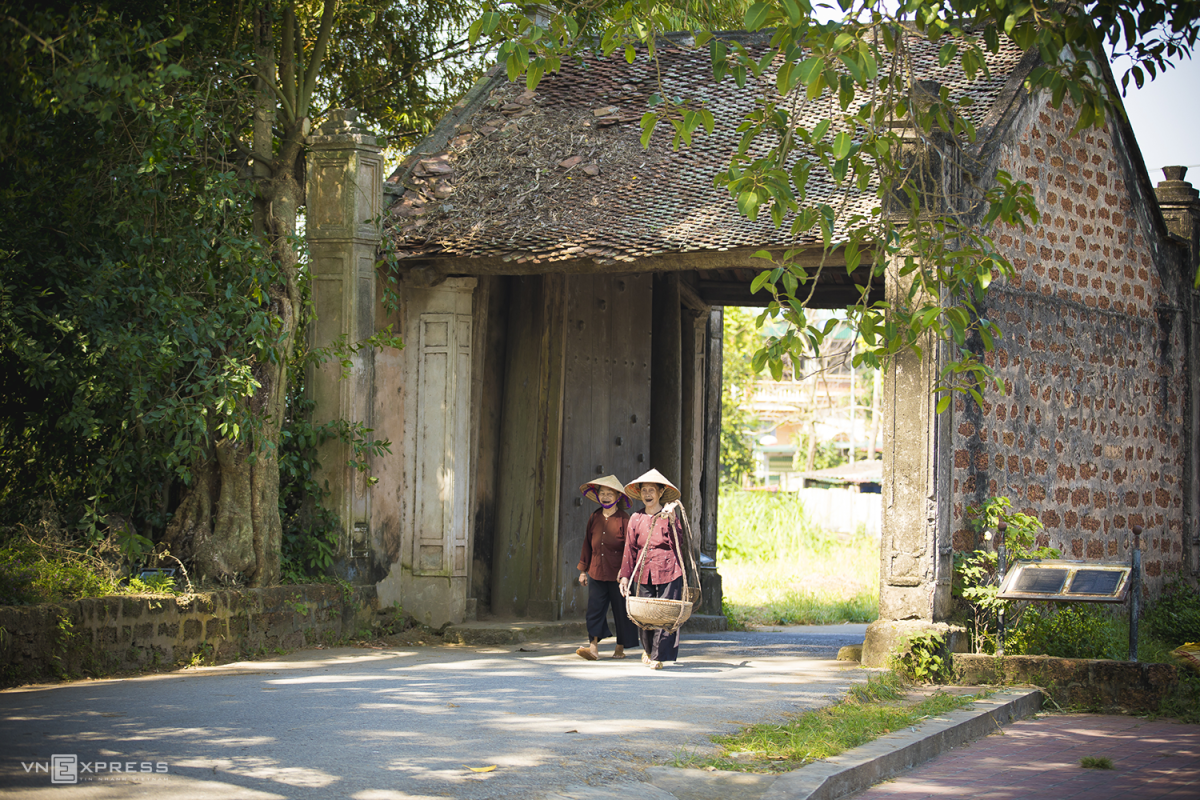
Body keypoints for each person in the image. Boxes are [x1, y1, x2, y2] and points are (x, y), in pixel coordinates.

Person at [619, 468, 687, 670]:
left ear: (660, 493)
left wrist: (673, 520)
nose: (647, 494)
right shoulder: (635, 518)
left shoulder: (669, 516)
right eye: (644, 490)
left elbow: (679, 542)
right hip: (642, 571)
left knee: (665, 615)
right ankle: (648, 650)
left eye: (652, 490)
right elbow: (629, 549)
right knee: (644, 614)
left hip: (668, 569)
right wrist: (624, 577)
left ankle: (659, 656)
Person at [575, 475, 639, 661]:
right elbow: (587, 544)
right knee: (594, 609)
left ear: (618, 496)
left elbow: (630, 546)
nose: (605, 496)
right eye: (602, 493)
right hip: (596, 571)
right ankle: (593, 648)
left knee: (621, 611)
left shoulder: (624, 519)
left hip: (619, 575)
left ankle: (620, 647)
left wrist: (626, 571)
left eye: (609, 493)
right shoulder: (594, 517)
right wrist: (582, 570)